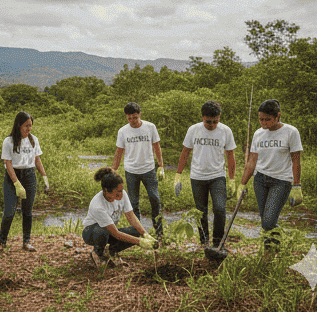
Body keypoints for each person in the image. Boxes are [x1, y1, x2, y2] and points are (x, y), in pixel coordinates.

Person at [239, 99, 303, 251]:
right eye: (261, 119)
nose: (263, 123)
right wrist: (242, 183)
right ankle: (271, 251)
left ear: (278, 116)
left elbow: (296, 161)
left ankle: (280, 242)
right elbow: (251, 161)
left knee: (268, 221)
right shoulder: (258, 134)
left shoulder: (291, 132)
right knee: (265, 221)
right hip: (260, 180)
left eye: (267, 119)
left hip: (281, 182)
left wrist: (297, 185)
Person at [174, 100, 237, 248]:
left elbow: (230, 155)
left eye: (215, 121)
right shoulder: (193, 130)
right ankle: (204, 242)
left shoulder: (225, 131)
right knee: (200, 212)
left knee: (220, 209)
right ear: (202, 117)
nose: (212, 125)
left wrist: (232, 179)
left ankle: (218, 243)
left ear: (219, 117)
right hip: (197, 177)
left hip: (217, 176)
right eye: (209, 121)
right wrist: (178, 174)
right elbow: (185, 152)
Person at [82, 167, 158, 269]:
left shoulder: (122, 194)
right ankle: (97, 253)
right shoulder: (98, 206)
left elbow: (131, 217)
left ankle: (112, 252)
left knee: (136, 231)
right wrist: (140, 242)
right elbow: (115, 234)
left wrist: (144, 234)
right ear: (106, 191)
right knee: (102, 230)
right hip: (91, 233)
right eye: (117, 192)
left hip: (110, 231)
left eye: (122, 190)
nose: (121, 195)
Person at [111, 102, 164, 242]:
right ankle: (138, 233)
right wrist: (113, 170)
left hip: (149, 170)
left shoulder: (150, 127)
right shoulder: (123, 131)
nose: (132, 121)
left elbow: (156, 146)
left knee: (155, 199)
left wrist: (161, 166)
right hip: (131, 171)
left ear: (139, 114)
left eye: (134, 117)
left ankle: (159, 232)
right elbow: (119, 152)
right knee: (133, 203)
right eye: (129, 118)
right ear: (126, 118)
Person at [0, 111, 49, 252]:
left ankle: (26, 242)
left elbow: (37, 160)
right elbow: (7, 163)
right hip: (13, 176)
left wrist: (44, 177)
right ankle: (2, 242)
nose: (28, 129)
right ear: (19, 125)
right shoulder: (8, 141)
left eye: (30, 126)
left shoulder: (34, 140)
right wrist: (16, 183)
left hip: (29, 175)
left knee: (28, 211)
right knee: (9, 211)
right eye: (26, 126)